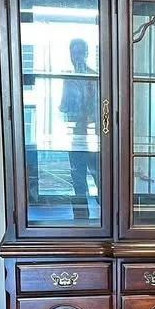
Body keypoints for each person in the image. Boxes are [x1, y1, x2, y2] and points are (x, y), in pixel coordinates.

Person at [59, 38, 99, 213]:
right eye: (74, 53)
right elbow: (64, 106)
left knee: (98, 173)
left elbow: (101, 106)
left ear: (86, 54)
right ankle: (81, 216)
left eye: (80, 53)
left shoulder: (94, 77)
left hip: (94, 133)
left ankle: (106, 215)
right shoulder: (69, 79)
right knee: (77, 174)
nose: (77, 57)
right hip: (75, 133)